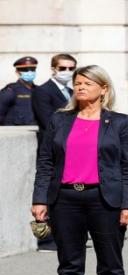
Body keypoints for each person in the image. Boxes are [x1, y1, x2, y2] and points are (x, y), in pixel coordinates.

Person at [31, 65, 128, 275]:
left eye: (87, 83)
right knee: (69, 265)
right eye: (77, 83)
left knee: (110, 267)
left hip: (105, 201)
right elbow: (45, 162)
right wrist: (40, 198)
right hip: (65, 200)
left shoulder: (120, 123)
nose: (80, 87)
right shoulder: (60, 120)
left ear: (103, 89)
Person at [31, 53, 77, 253]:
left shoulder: (71, 91)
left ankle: (68, 237)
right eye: (63, 68)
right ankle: (47, 239)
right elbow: (47, 120)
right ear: (53, 69)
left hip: (71, 149)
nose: (67, 72)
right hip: (52, 148)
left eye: (71, 68)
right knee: (50, 192)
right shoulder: (43, 91)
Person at [0, 56, 38, 125]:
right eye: (25, 70)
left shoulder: (39, 90)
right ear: (17, 72)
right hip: (15, 131)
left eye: (32, 69)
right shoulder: (10, 91)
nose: (30, 72)